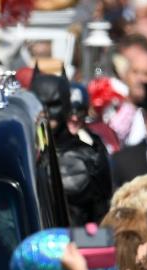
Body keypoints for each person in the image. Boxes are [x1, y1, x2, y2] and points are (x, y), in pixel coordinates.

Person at [31, 72, 112, 225]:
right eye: (41, 104)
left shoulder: (91, 157)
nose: (45, 113)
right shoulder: (22, 151)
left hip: (72, 244)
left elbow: (102, 219)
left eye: (52, 105)